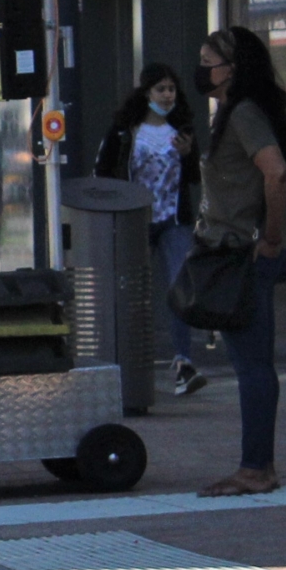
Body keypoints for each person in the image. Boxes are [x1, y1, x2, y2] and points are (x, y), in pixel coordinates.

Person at [191, 26, 286, 497]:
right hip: (229, 250)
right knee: (250, 360)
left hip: (241, 254)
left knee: (253, 364)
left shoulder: (243, 114)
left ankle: (257, 467)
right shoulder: (232, 114)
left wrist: (271, 241)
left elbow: (276, 172)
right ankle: (257, 464)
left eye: (208, 62)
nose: (202, 71)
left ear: (233, 70)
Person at [96, 64, 204, 396]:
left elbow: (194, 179)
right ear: (147, 93)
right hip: (135, 222)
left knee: (178, 289)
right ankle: (125, 364)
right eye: (161, 89)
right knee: (131, 293)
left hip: (173, 221)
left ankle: (183, 364)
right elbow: (104, 172)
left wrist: (188, 156)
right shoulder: (125, 131)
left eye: (172, 89)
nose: (167, 95)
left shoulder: (181, 131)